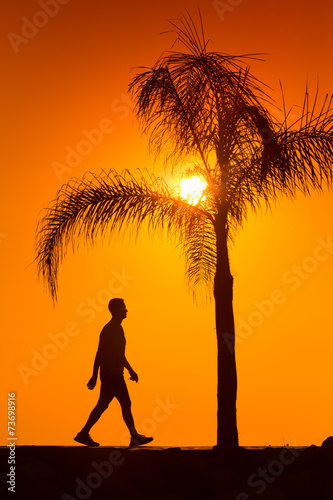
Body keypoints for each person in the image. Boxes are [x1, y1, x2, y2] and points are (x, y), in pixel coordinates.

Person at [74, 298, 153, 448]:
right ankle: (134, 436)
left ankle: (83, 433)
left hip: (108, 373)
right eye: (124, 308)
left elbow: (99, 353)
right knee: (125, 403)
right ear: (117, 310)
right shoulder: (114, 329)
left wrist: (95, 375)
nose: (126, 310)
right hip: (113, 375)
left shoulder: (109, 328)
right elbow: (116, 354)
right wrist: (131, 370)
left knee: (103, 405)